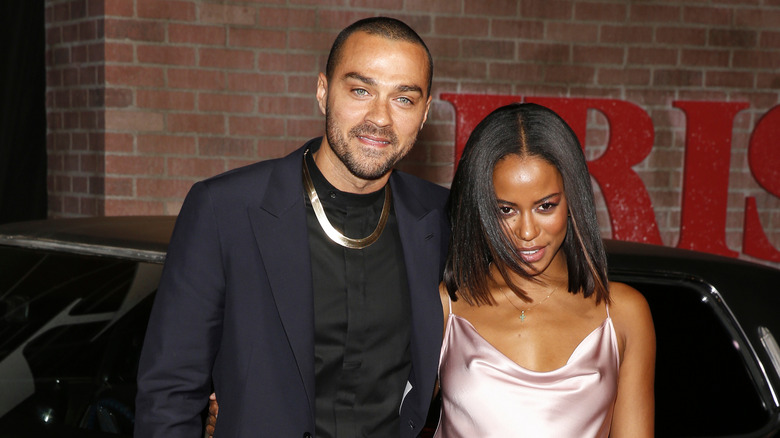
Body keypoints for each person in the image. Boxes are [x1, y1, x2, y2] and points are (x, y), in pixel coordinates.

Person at [134, 17, 450, 438]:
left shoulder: (443, 218)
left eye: (404, 99)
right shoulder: (225, 210)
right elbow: (168, 394)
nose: (380, 118)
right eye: (360, 90)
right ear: (323, 92)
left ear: (425, 112)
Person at [434, 102, 655, 437]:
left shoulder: (624, 314)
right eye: (506, 210)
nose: (526, 232)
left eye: (545, 206)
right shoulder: (446, 308)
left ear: (573, 199)